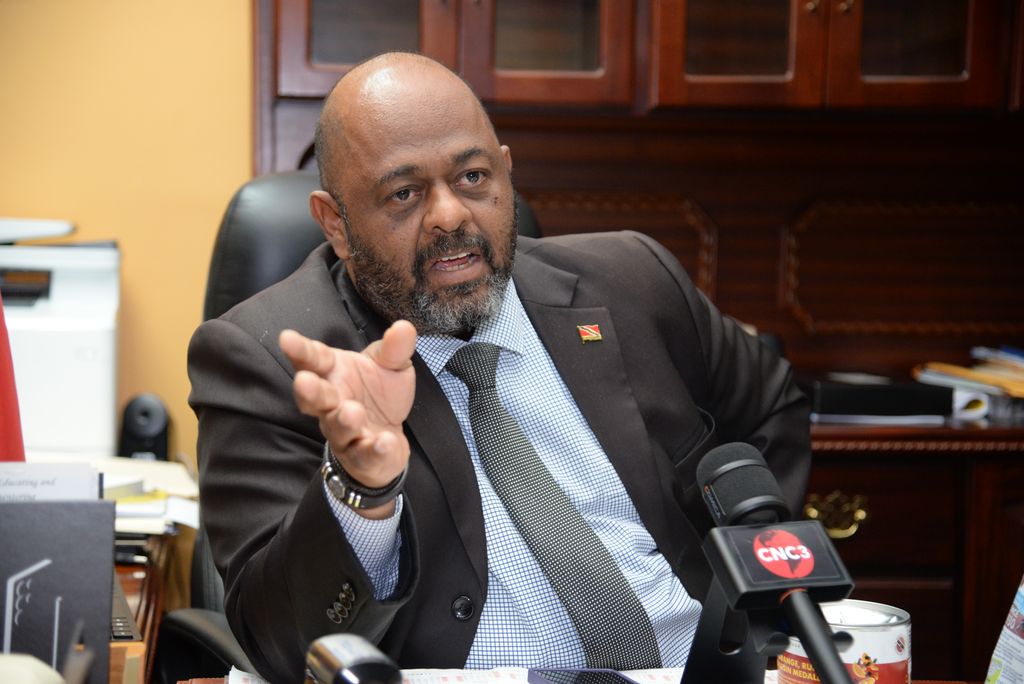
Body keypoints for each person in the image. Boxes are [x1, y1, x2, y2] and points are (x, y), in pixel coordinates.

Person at [188, 52, 810, 682]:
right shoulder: (270, 359)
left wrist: (737, 597)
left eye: (472, 177)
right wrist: (361, 492)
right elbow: (278, 646)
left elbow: (772, 410)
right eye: (403, 193)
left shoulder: (635, 280)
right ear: (336, 224)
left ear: (507, 174)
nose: (450, 215)